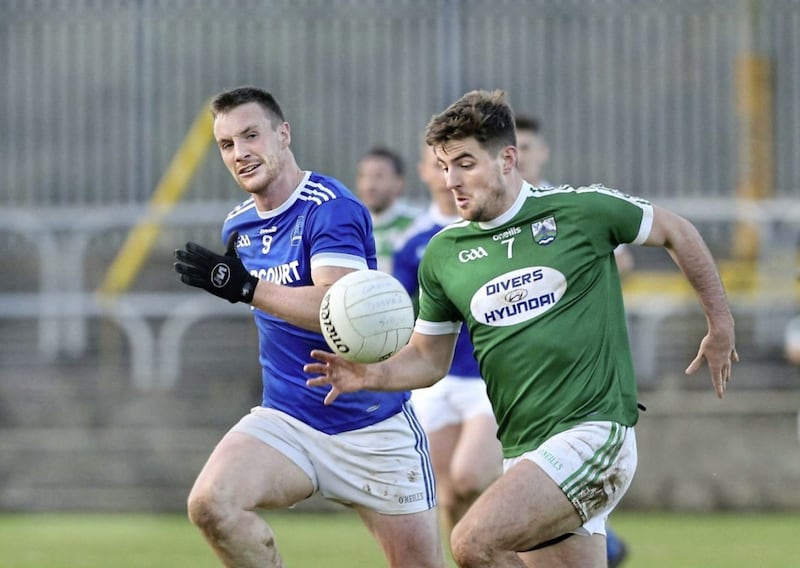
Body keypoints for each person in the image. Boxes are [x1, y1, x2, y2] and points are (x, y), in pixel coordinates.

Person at [306, 89, 738, 567]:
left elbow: (678, 231)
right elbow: (429, 358)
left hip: (594, 433)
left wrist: (719, 324)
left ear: (507, 158)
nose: (451, 180)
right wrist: (370, 375)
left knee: (473, 542)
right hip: (525, 449)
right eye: (444, 166)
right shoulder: (443, 254)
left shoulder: (581, 211)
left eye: (465, 163)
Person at [173, 86, 445, 568]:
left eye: (251, 135)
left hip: (372, 426)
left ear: (283, 134)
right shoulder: (237, 227)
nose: (240, 153)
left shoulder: (329, 206)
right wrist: (247, 288)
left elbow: (334, 305)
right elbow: (267, 302)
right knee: (211, 505)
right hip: (289, 420)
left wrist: (246, 288)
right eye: (227, 144)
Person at [516, 112, 631, 567]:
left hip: (580, 384)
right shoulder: (488, 225)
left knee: (484, 533)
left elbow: (621, 263)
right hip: (516, 380)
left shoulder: (568, 210)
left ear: (540, 154)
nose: (520, 155)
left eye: (528, 147)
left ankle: (600, 533)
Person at [393, 142, 503, 543]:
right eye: (437, 165)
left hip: (486, 377)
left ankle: (513, 534)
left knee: (471, 475)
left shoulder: (488, 227)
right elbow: (394, 309)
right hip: (435, 379)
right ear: (425, 172)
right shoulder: (414, 242)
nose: (447, 174)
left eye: (457, 164)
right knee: (448, 494)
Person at [355, 146, 421, 273]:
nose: (369, 185)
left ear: (399, 182)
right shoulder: (350, 224)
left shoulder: (417, 224)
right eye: (363, 176)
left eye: (379, 176)